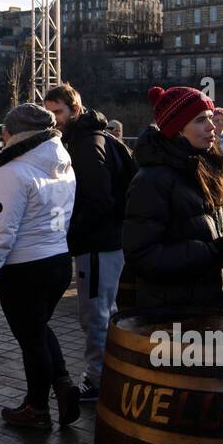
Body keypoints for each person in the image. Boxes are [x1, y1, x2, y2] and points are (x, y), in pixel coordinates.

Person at [0, 103, 79, 429]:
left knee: (31, 339)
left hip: (24, 268)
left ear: (16, 135)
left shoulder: (11, 173)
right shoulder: (63, 165)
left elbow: (0, 229)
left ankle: (37, 409)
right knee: (38, 329)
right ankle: (62, 385)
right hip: (58, 260)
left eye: (4, 133)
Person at [44, 82, 136, 402]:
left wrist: (74, 230)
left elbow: (96, 198)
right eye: (49, 112)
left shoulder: (85, 143)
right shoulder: (89, 138)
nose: (53, 119)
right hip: (104, 240)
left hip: (98, 243)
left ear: (75, 110)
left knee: (96, 312)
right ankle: (108, 374)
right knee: (103, 310)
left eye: (57, 112)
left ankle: (98, 381)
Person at [123, 86, 223, 310]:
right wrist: (215, 252)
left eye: (210, 117)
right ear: (177, 129)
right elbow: (143, 255)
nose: (211, 126)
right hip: (175, 316)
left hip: (207, 306)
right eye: (200, 120)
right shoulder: (153, 180)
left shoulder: (204, 167)